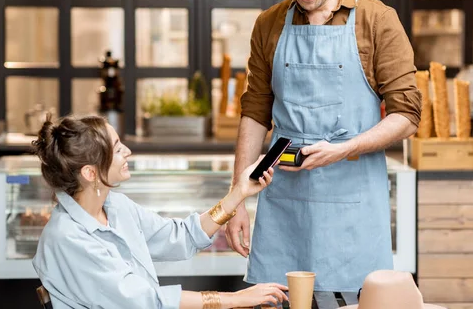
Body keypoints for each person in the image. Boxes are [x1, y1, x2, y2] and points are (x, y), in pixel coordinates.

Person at [225, 0, 422, 292]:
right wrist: (235, 201)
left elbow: (407, 114)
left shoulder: (376, 20)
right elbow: (254, 113)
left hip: (353, 202)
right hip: (285, 201)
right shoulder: (269, 24)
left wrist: (344, 148)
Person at [31, 114, 288, 309]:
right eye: (117, 148)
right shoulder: (67, 238)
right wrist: (234, 299)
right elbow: (147, 300)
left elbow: (180, 237)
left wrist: (239, 193)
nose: (127, 152)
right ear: (90, 173)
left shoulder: (115, 207)